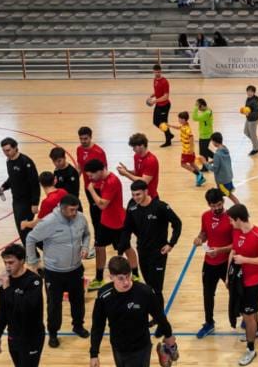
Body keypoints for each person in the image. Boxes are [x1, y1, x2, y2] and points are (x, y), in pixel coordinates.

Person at [0, 243, 68, 367]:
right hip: (13, 336)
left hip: (32, 336)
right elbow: (2, 310)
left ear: (21, 261)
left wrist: (8, 288)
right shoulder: (5, 281)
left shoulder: (33, 281)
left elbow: (25, 308)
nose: (7, 266)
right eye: (5, 263)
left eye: (11, 262)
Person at [25, 194, 91, 347]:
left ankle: (78, 326)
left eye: (76, 209)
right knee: (54, 305)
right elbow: (30, 238)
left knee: (78, 301)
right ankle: (53, 333)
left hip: (75, 270)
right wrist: (33, 262)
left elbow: (86, 234)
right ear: (62, 209)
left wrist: (86, 246)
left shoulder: (81, 218)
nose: (75, 213)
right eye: (71, 210)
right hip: (54, 273)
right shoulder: (49, 222)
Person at [120, 179, 182, 312]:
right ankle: (155, 314)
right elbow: (127, 228)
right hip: (142, 252)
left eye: (138, 194)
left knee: (157, 288)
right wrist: (122, 247)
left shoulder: (160, 207)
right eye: (133, 195)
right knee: (149, 287)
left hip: (158, 253)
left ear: (146, 192)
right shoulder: (132, 208)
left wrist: (171, 243)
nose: (136, 198)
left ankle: (160, 320)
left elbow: (177, 223)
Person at [227, 204, 258, 367]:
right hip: (239, 279)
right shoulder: (236, 232)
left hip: (253, 282)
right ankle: (257, 330)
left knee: (248, 316)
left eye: (232, 220)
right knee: (251, 312)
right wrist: (227, 275)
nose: (230, 223)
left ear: (239, 219)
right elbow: (233, 251)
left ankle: (251, 349)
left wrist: (245, 260)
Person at [84, 158, 138, 290]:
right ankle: (99, 278)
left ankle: (136, 274)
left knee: (126, 248)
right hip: (105, 221)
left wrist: (91, 190)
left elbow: (102, 205)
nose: (90, 178)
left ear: (100, 171)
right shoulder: (100, 179)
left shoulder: (112, 182)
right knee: (99, 247)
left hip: (118, 223)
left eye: (91, 175)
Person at [192, 188, 234, 339]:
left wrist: (221, 250)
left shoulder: (231, 218)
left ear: (223, 202)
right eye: (212, 206)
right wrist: (199, 239)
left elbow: (235, 245)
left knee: (235, 291)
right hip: (209, 263)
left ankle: (245, 315)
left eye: (218, 204)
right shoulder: (205, 216)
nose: (216, 208)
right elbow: (204, 233)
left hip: (227, 263)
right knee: (208, 295)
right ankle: (209, 323)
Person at [0, 137, 40, 244]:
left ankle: (36, 251)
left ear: (15, 148)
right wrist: (3, 187)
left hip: (27, 201)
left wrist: (35, 203)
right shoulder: (9, 161)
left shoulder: (26, 162)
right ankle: (31, 253)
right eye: (4, 151)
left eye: (8, 150)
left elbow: (35, 183)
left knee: (24, 229)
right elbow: (12, 178)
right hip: (16, 201)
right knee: (21, 229)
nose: (6, 153)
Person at [76, 126, 106, 242]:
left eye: (85, 138)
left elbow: (104, 171)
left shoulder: (98, 152)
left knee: (102, 213)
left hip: (99, 189)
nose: (83, 141)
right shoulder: (79, 149)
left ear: (90, 137)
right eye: (81, 139)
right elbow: (80, 166)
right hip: (88, 188)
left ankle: (104, 239)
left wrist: (102, 188)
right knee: (94, 215)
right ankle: (98, 239)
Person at [116, 132, 159, 200]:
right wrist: (127, 170)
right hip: (138, 196)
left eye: (134, 147)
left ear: (142, 146)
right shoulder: (136, 156)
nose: (133, 149)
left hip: (150, 197)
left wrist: (126, 174)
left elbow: (144, 181)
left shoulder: (151, 160)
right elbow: (138, 173)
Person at [146, 64, 174, 148]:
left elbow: (166, 96)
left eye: (158, 71)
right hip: (159, 104)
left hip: (165, 105)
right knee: (155, 122)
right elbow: (157, 92)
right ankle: (169, 134)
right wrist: (151, 96)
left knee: (163, 123)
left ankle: (168, 141)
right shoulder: (155, 80)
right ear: (153, 71)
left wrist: (154, 101)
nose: (157, 73)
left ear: (161, 71)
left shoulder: (164, 81)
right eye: (156, 72)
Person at [174, 112, 205, 187]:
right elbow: (179, 128)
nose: (179, 120)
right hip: (189, 150)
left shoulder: (187, 129)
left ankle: (197, 174)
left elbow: (191, 138)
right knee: (192, 163)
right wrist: (170, 126)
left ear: (184, 120)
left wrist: (191, 150)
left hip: (187, 150)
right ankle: (201, 176)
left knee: (183, 164)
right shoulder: (184, 125)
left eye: (180, 119)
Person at [209, 132, 240, 205]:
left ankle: (239, 208)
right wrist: (213, 161)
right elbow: (222, 160)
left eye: (212, 141)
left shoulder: (217, 154)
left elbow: (214, 169)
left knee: (229, 196)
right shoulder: (225, 148)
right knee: (221, 197)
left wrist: (205, 163)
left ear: (214, 141)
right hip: (228, 177)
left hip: (222, 181)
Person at [192, 98, 214, 171]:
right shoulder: (207, 111)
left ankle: (208, 165)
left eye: (198, 107)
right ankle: (212, 161)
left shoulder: (207, 113)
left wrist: (195, 108)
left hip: (206, 135)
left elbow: (194, 118)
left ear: (202, 106)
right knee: (204, 151)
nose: (198, 109)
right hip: (204, 134)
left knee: (203, 152)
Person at [243, 84, 258, 156]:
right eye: (248, 91)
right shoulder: (248, 98)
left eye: (251, 91)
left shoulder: (255, 101)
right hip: (248, 119)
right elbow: (248, 108)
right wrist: (243, 110)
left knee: (253, 135)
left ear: (254, 92)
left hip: (253, 120)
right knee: (246, 132)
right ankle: (257, 142)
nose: (249, 93)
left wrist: (249, 114)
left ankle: (255, 149)